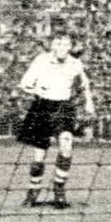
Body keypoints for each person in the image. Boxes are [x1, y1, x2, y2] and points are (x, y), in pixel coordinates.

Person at [16, 31, 96, 208]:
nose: (62, 48)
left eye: (65, 45)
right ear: (52, 45)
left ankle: (59, 189)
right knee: (39, 154)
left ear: (70, 47)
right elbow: (24, 84)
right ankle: (33, 190)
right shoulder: (41, 60)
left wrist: (89, 102)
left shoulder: (75, 63)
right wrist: (37, 89)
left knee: (66, 147)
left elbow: (85, 84)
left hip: (63, 106)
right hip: (42, 106)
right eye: (58, 44)